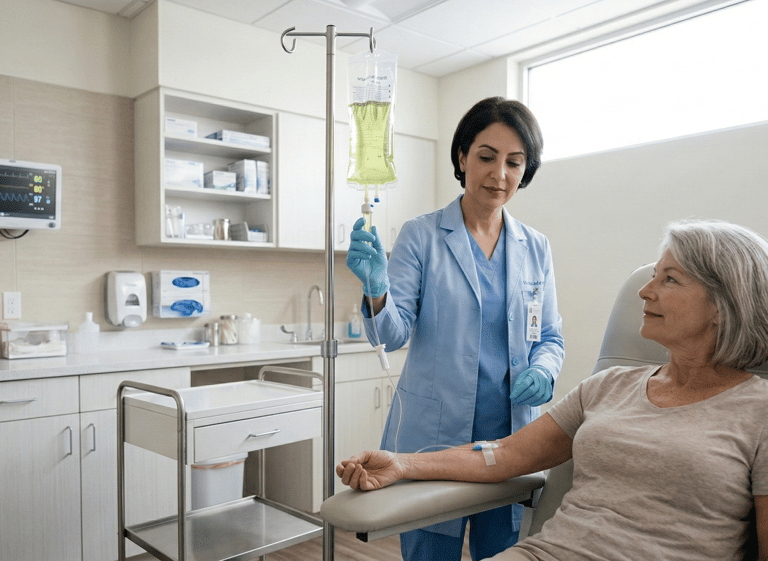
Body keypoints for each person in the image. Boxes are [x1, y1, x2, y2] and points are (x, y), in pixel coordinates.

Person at [338, 218, 768, 561]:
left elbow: (547, 335)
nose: (644, 290)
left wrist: (543, 366)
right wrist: (401, 462)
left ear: (723, 303)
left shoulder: (758, 414)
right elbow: (505, 454)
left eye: (669, 279)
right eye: (653, 275)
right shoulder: (607, 387)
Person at [345, 96, 565, 561]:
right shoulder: (421, 235)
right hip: (433, 439)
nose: (499, 174)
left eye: (514, 163)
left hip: (507, 443)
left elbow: (549, 337)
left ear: (526, 171)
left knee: (504, 552)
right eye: (486, 157)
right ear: (462, 157)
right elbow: (391, 334)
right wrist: (377, 292)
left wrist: (544, 372)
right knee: (429, 553)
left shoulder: (536, 247)